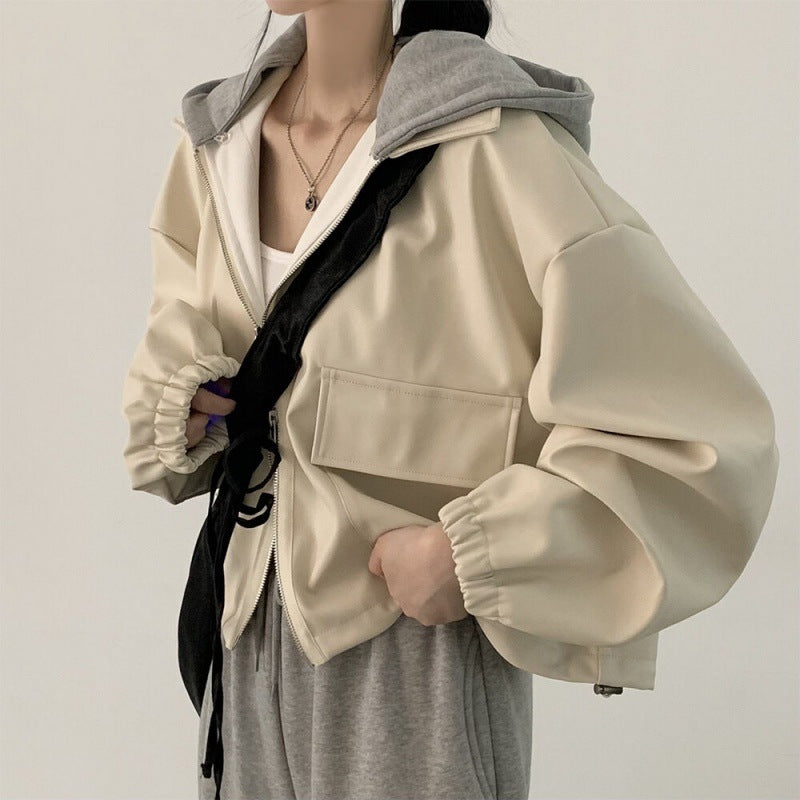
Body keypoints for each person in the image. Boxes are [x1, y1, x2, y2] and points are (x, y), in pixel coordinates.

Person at [121, 1, 780, 799]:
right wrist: (185, 407)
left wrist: (471, 557)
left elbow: (697, 438)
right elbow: (174, 350)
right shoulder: (217, 147)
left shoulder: (495, 147)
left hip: (410, 651)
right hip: (242, 629)